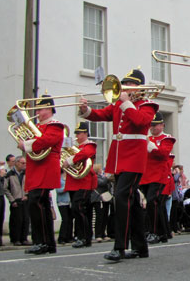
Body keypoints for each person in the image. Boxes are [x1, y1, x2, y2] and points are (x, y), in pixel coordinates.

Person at [80, 68, 157, 262]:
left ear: (139, 87)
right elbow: (100, 114)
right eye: (125, 84)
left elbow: (140, 121)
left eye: (129, 84)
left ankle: (120, 247)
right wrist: (86, 110)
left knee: (121, 198)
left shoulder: (147, 104)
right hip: (119, 158)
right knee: (131, 203)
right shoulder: (118, 105)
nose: (125, 87)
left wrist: (126, 102)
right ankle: (140, 247)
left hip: (134, 158)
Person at [17, 95, 64, 255]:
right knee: (39, 205)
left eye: (41, 108)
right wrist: (23, 142)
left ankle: (42, 241)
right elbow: (34, 142)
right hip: (35, 168)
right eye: (37, 109)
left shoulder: (55, 125)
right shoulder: (36, 126)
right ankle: (47, 243)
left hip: (46, 168)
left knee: (36, 203)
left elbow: (46, 141)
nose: (38, 111)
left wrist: (26, 144)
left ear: (50, 109)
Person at [140, 113, 175, 244]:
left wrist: (150, 145)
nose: (153, 128)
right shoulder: (146, 138)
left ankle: (154, 232)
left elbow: (163, 154)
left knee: (152, 202)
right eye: (151, 125)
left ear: (162, 125)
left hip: (159, 176)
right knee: (154, 206)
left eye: (155, 125)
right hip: (145, 176)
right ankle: (162, 233)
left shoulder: (167, 138)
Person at [63, 121, 97, 248]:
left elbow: (85, 154)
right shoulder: (74, 147)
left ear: (85, 133)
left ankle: (83, 236)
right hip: (73, 181)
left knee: (78, 208)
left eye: (79, 133)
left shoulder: (90, 145)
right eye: (76, 133)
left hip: (84, 181)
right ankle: (84, 237)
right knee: (80, 210)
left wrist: (70, 160)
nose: (77, 135)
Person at [3, 155, 30, 246]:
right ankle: (16, 239)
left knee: (25, 219)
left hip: (25, 199)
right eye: (22, 163)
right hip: (16, 200)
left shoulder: (26, 173)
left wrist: (27, 195)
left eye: (25, 163)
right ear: (17, 163)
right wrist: (12, 200)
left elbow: (29, 185)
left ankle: (24, 238)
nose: (24, 165)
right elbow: (5, 189)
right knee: (16, 221)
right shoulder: (10, 174)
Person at [55, 170, 73, 245]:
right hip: (62, 202)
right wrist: (66, 188)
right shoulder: (59, 179)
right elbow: (58, 190)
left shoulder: (70, 178)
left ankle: (68, 237)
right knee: (65, 219)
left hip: (69, 201)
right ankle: (61, 237)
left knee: (70, 220)